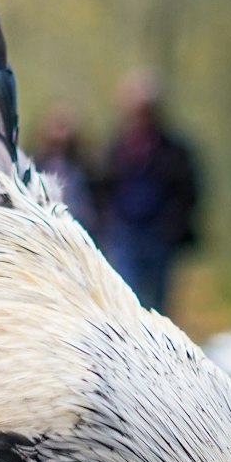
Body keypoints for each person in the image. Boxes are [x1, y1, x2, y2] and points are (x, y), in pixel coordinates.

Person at [98, 72, 201, 314]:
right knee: (126, 298)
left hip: (159, 235)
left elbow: (187, 191)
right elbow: (104, 187)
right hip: (124, 233)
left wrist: (171, 226)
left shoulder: (174, 150)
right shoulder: (117, 147)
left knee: (158, 303)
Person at [32, 103, 98, 236]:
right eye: (57, 126)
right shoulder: (37, 164)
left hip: (81, 228)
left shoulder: (83, 164)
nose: (61, 133)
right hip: (46, 229)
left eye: (64, 127)